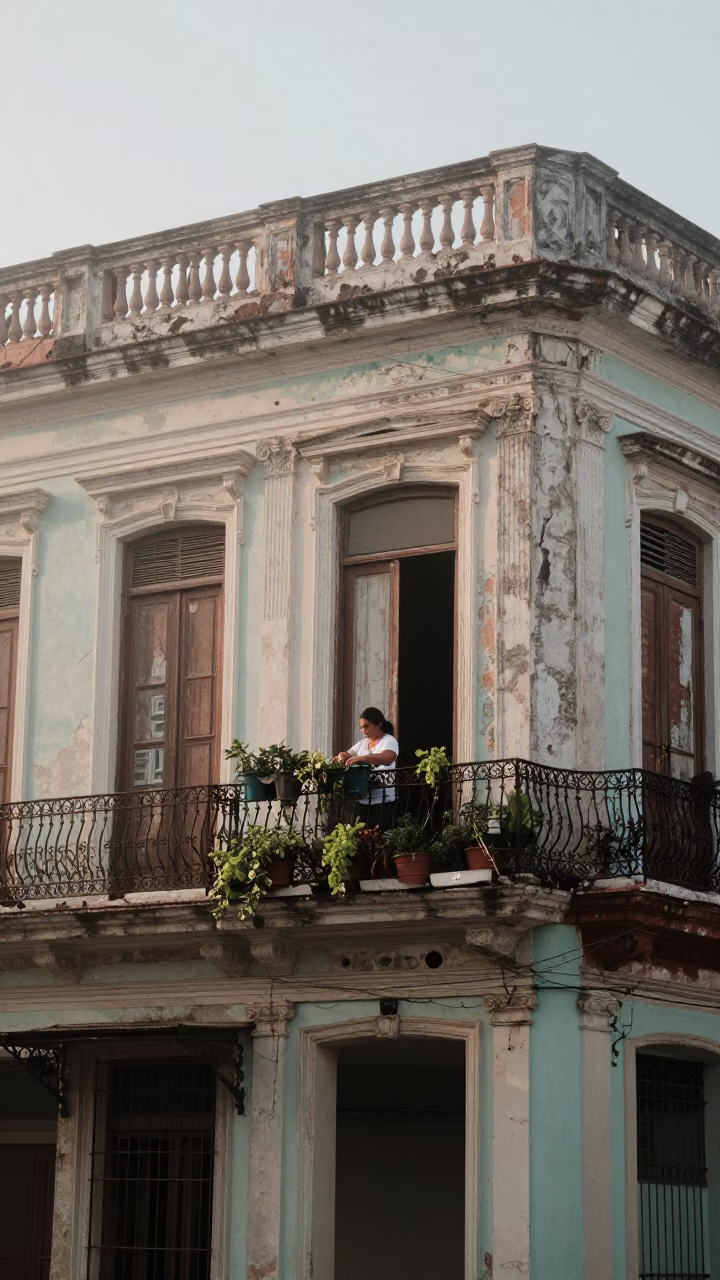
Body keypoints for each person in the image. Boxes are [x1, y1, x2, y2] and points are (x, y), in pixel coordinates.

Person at [336, 707, 399, 808]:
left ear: (378, 724)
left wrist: (361, 758)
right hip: (363, 801)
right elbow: (347, 755)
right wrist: (341, 756)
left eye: (366, 726)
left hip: (383, 801)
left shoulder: (388, 740)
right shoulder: (363, 743)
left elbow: (388, 758)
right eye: (361, 727)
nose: (364, 731)